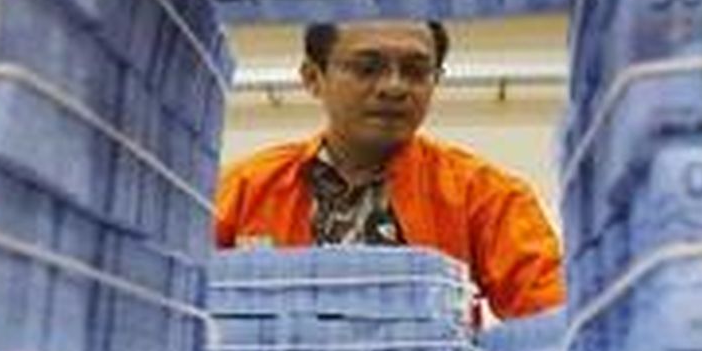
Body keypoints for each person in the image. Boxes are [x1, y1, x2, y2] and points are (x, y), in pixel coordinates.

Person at [215, 20, 564, 320]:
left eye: (415, 71)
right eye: (367, 68)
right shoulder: (244, 189)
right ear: (312, 78)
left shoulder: (487, 196)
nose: (394, 87)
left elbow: (552, 319)